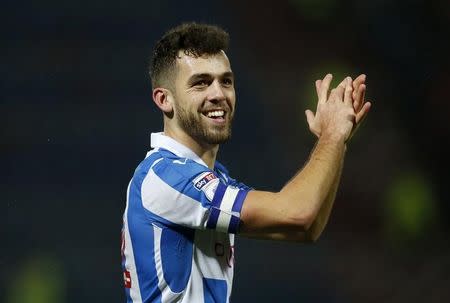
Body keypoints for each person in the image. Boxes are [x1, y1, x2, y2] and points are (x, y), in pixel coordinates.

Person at [120, 22, 371, 303]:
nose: (219, 94)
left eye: (226, 81)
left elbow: (306, 228)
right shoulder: (166, 177)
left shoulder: (215, 178)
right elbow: (298, 212)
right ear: (164, 99)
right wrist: (332, 137)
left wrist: (337, 141)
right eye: (201, 82)